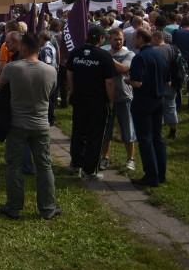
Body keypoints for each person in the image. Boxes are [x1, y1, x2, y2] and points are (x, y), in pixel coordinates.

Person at [0, 32, 62, 220]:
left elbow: (0, 85)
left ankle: (14, 206)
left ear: (23, 48)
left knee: (14, 165)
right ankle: (48, 207)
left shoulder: (12, 68)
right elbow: (50, 93)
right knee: (44, 165)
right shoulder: (50, 71)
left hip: (17, 123)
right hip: (41, 123)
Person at [67, 26, 115, 180]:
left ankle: (75, 164)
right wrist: (111, 101)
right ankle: (89, 170)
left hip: (80, 99)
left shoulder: (75, 53)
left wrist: (74, 93)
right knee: (95, 135)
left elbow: (69, 75)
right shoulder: (104, 56)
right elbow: (109, 83)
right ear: (101, 39)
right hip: (97, 101)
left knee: (78, 132)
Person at [128, 29, 170, 187]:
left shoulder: (140, 57)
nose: (133, 41)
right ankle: (161, 174)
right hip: (159, 99)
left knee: (145, 139)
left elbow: (137, 82)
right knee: (157, 138)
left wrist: (128, 81)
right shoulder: (160, 55)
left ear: (140, 39)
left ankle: (151, 176)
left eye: (134, 38)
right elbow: (168, 81)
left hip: (143, 100)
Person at [99, 27, 137, 172]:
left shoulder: (129, 54)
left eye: (120, 39)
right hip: (107, 98)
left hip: (124, 97)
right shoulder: (105, 54)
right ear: (109, 40)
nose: (119, 41)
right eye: (115, 39)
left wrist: (109, 59)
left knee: (127, 130)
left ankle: (130, 159)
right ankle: (105, 157)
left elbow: (123, 69)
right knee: (106, 131)